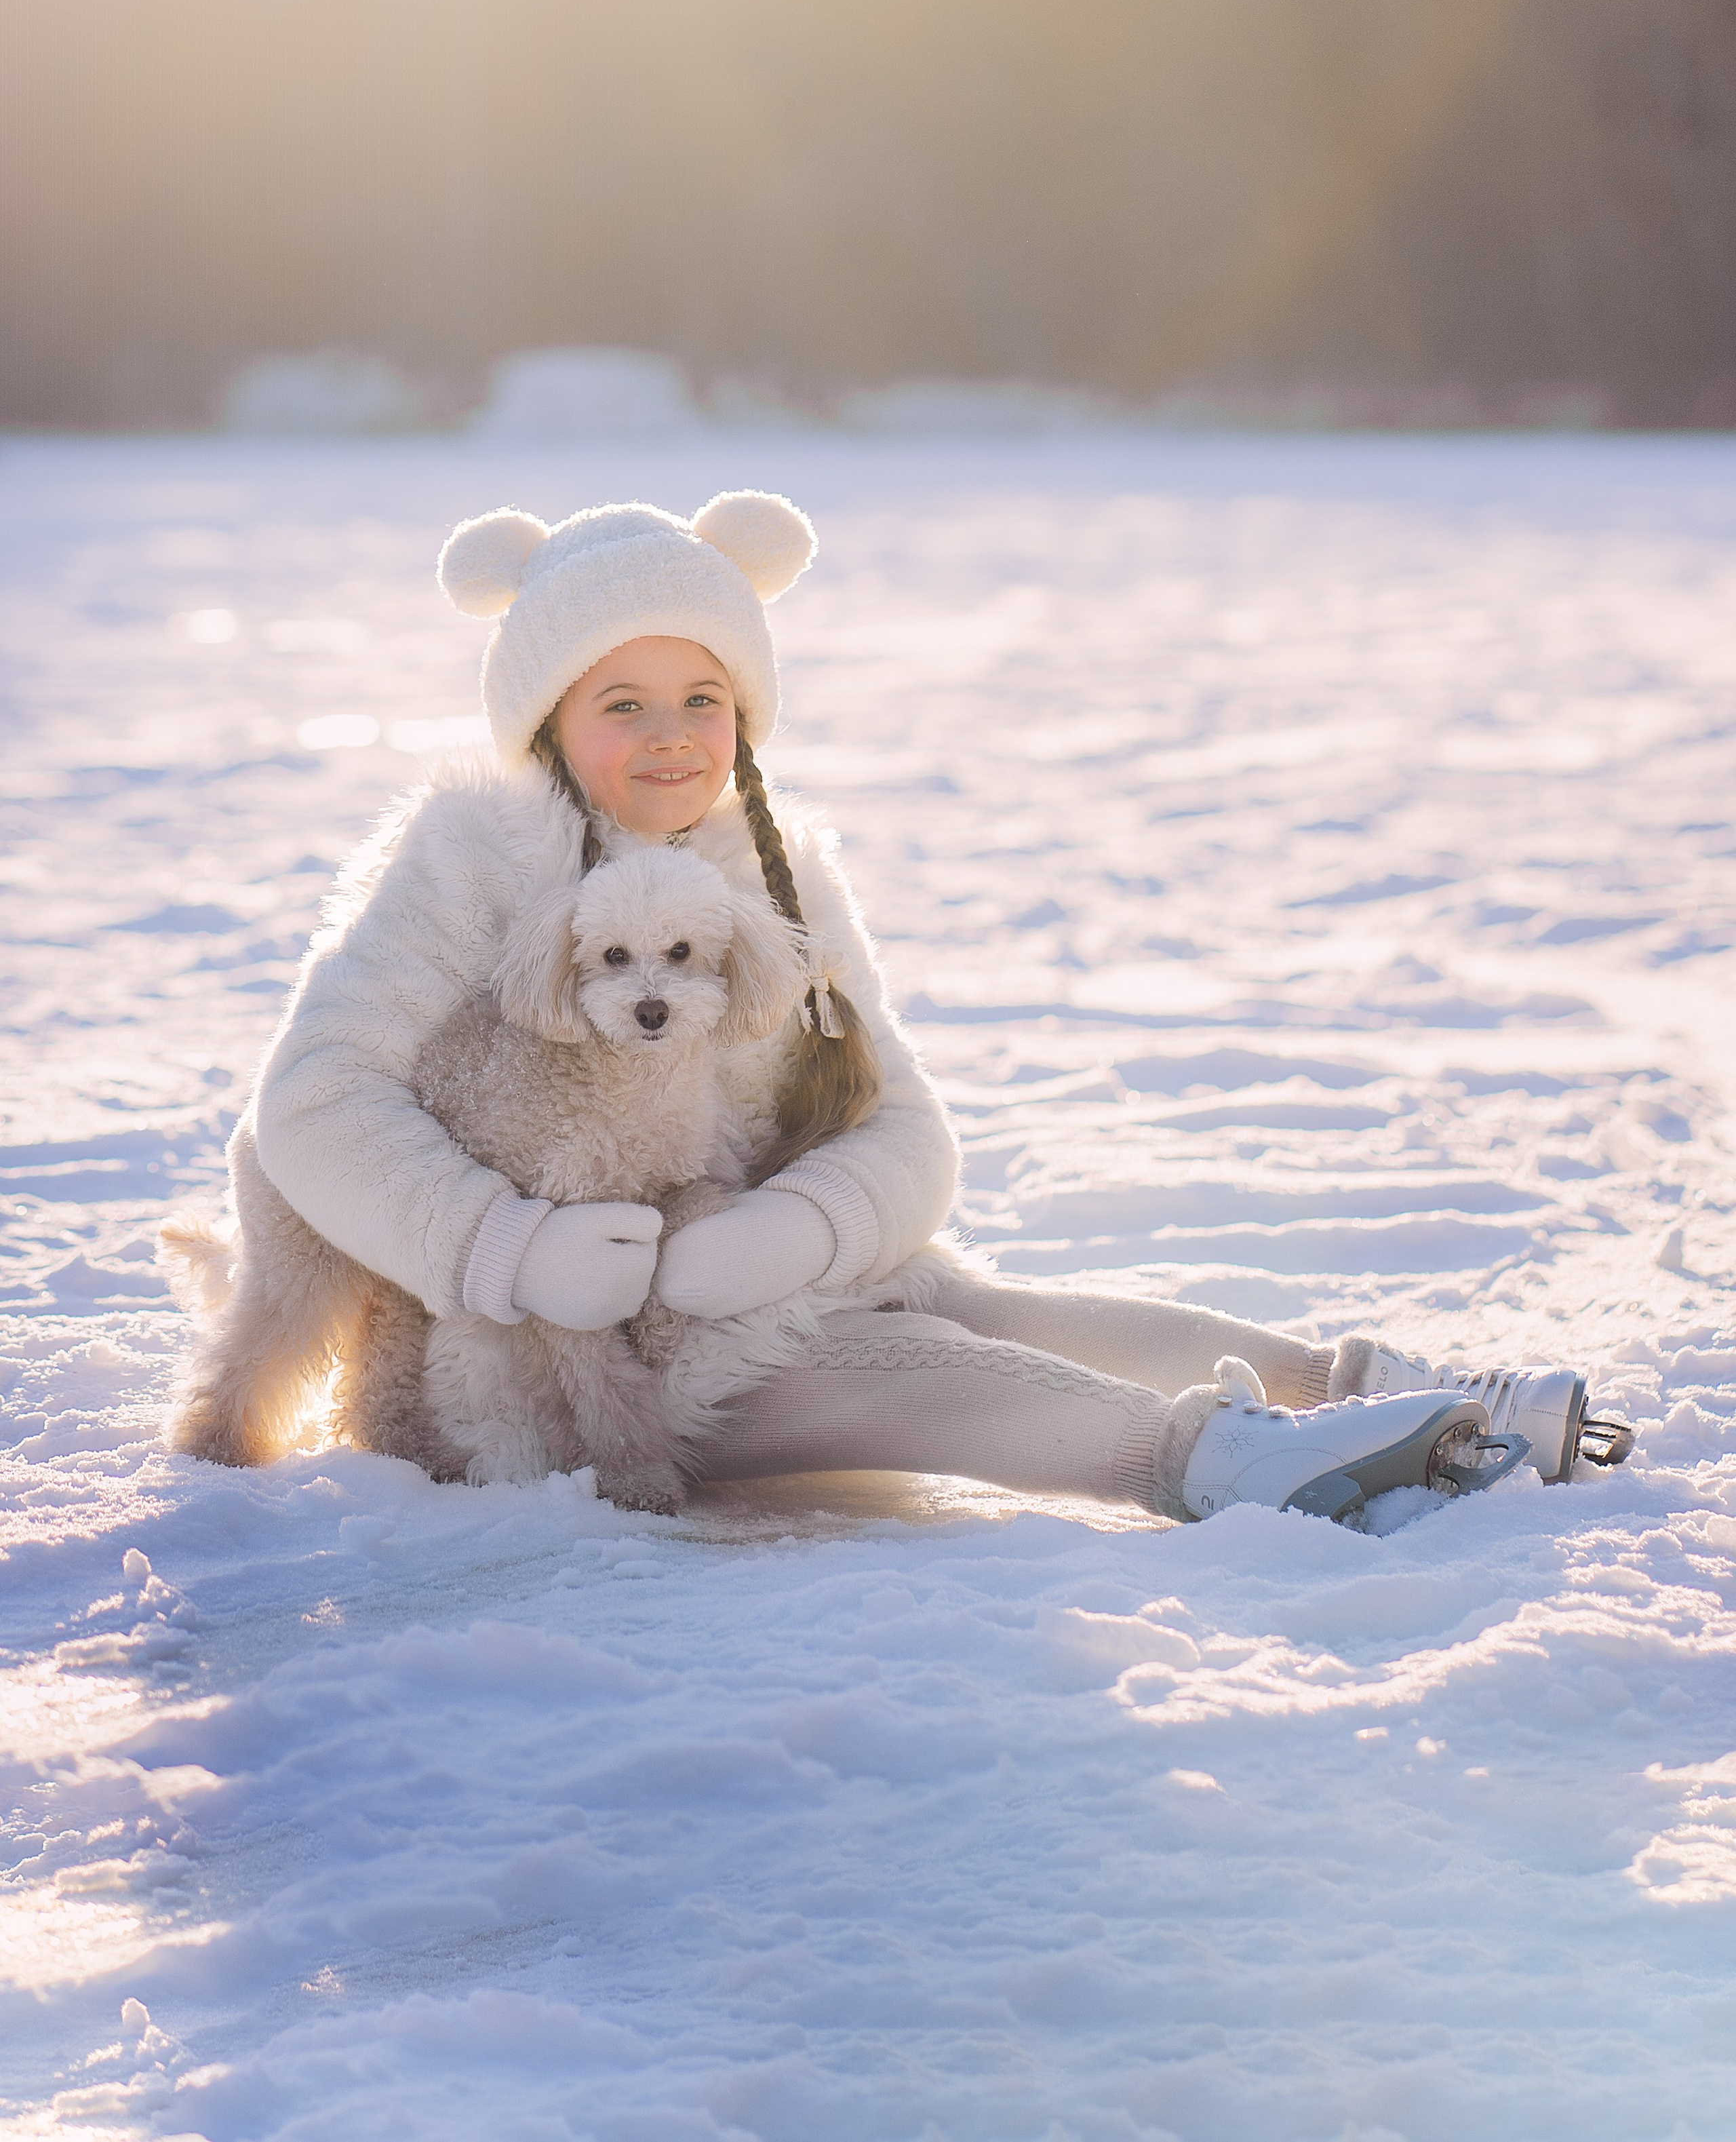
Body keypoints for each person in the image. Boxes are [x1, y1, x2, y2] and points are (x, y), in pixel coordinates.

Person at [246, 492, 1631, 1527]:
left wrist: (804, 1221)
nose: (669, 734)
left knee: (979, 1306)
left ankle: (1372, 1387)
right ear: (550, 718)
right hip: (565, 1353)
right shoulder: (468, 863)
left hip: (754, 1271)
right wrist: (515, 1249)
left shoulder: (768, 877)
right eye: (622, 702)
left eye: (702, 698)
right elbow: (309, 1104)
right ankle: (1230, 1457)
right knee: (908, 1370)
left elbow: (902, 1124)